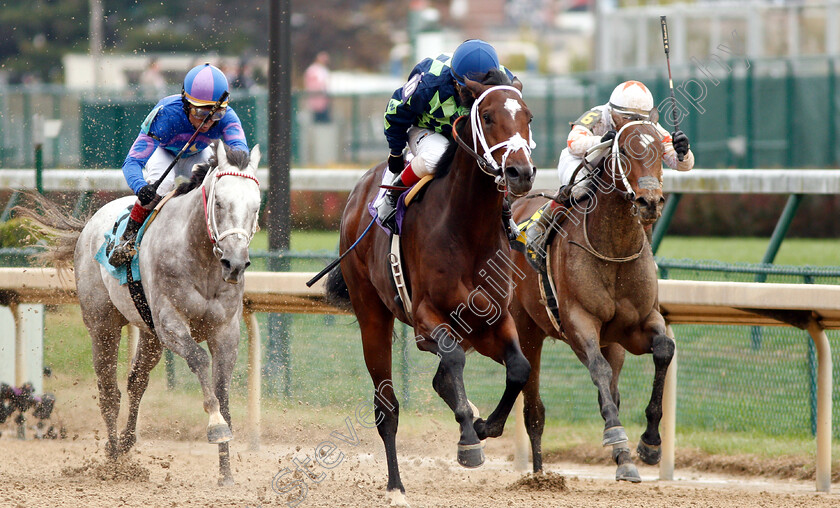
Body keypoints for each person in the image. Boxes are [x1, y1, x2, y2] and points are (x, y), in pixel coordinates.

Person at [108, 63, 249, 267]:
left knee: (213, 190)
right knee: (161, 187)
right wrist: (141, 187)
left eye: (216, 115)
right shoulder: (165, 115)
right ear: (185, 103)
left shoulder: (229, 118)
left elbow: (240, 153)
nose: (207, 123)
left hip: (199, 154)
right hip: (164, 153)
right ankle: (127, 240)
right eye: (200, 113)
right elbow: (132, 162)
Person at [526, 80, 693, 247]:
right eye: (627, 118)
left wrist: (683, 152)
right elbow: (573, 142)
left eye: (638, 119)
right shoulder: (597, 115)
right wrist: (601, 141)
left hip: (618, 169)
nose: (632, 123)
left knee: (645, 195)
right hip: (584, 162)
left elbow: (682, 165)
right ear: (613, 112)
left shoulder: (650, 126)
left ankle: (646, 249)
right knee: (580, 190)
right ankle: (541, 224)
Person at [376, 39, 518, 232]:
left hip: (468, 135)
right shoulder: (428, 84)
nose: (473, 97)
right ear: (454, 81)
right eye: (467, 90)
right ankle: (393, 194)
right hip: (429, 130)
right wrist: (395, 152)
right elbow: (395, 112)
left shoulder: (504, 83)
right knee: (437, 156)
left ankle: (504, 212)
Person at [304, 51, 331, 123]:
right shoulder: (313, 69)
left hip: (324, 101)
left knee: (324, 122)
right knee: (317, 121)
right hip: (315, 100)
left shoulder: (323, 70)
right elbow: (315, 84)